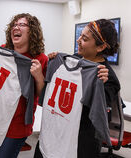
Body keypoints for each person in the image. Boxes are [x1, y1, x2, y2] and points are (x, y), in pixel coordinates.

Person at [34, 19, 120, 158]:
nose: (78, 40)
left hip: (78, 145)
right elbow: (47, 98)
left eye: (85, 39)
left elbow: (99, 116)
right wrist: (54, 63)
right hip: (53, 135)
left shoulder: (107, 78)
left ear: (100, 47)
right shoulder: (71, 60)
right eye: (80, 35)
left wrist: (99, 85)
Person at [0, 13, 48, 158]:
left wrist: (38, 76)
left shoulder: (40, 59)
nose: (16, 27)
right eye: (14, 25)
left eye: (22, 25)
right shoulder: (2, 51)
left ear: (32, 31)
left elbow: (42, 96)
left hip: (17, 124)